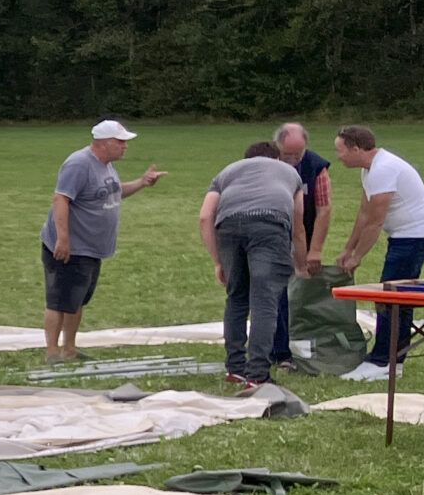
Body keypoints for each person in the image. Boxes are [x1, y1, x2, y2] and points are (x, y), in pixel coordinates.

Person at [322, 125, 424, 380]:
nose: (338, 156)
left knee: (389, 296)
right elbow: (364, 213)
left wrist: (358, 257)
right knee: (399, 296)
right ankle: (394, 359)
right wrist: (348, 249)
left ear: (356, 149)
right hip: (406, 235)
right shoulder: (370, 170)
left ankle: (382, 362)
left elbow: (376, 222)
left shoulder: (383, 169)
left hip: (416, 236)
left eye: (340, 150)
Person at [41, 119, 167, 359]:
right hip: (71, 247)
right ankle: (52, 353)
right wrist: (63, 239)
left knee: (77, 300)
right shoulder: (79, 164)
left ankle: (69, 349)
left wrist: (142, 183)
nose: (125, 146)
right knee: (58, 300)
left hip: (91, 248)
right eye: (121, 142)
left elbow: (113, 192)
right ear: (104, 143)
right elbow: (61, 199)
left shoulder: (106, 166)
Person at [197, 140, 306, 390]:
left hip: (228, 227)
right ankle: (258, 374)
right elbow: (298, 224)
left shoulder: (226, 172)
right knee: (264, 302)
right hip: (270, 226)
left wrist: (218, 261)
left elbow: (205, 216)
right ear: (277, 159)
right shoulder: (290, 173)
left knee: (236, 298)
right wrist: (301, 263)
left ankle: (235, 369)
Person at [268, 121, 333, 369]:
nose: (294, 160)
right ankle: (278, 350)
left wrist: (313, 251)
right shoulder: (266, 162)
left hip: (301, 231)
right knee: (276, 290)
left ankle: (301, 342)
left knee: (300, 287)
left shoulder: (316, 167)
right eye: (288, 155)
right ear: (277, 147)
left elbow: (324, 210)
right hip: (273, 232)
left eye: (299, 154)